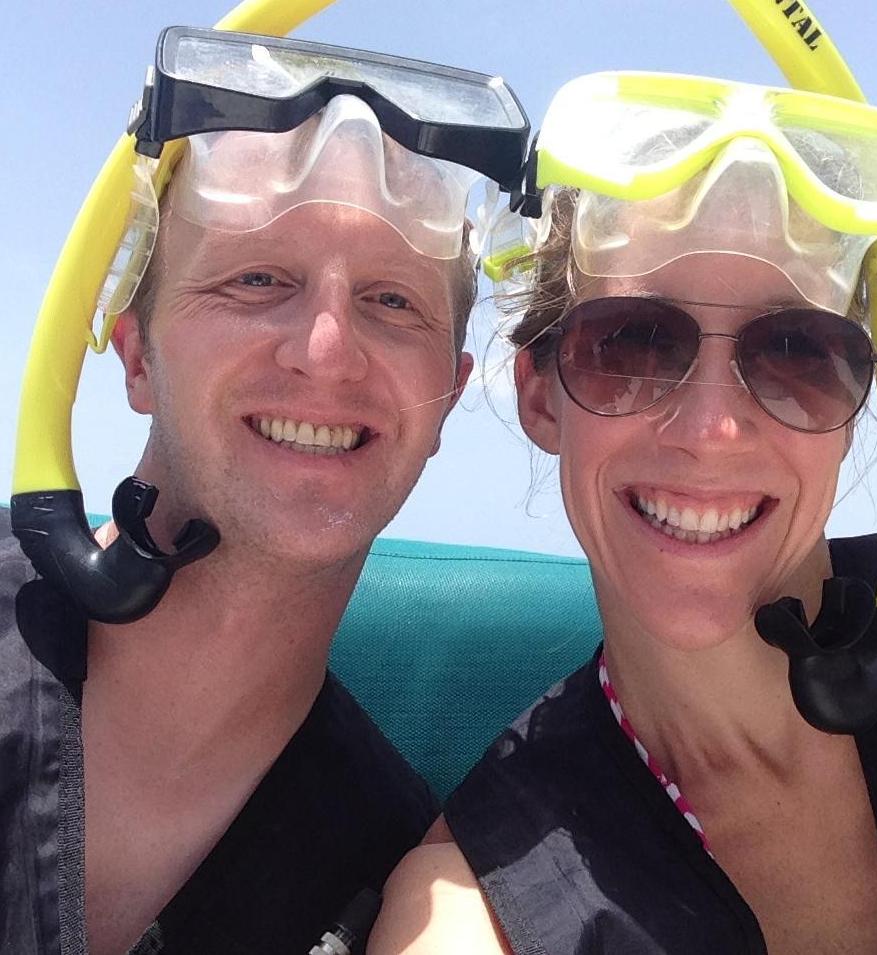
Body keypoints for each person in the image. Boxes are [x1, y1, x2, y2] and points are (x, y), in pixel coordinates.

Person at [368, 70, 877, 954]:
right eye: (632, 344)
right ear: (539, 396)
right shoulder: (474, 908)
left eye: (796, 351)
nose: (711, 431)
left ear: (862, 400)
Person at [0, 26, 528, 955]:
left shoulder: (401, 891)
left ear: (447, 397)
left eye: (391, 301)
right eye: (256, 279)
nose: (325, 352)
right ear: (136, 356)